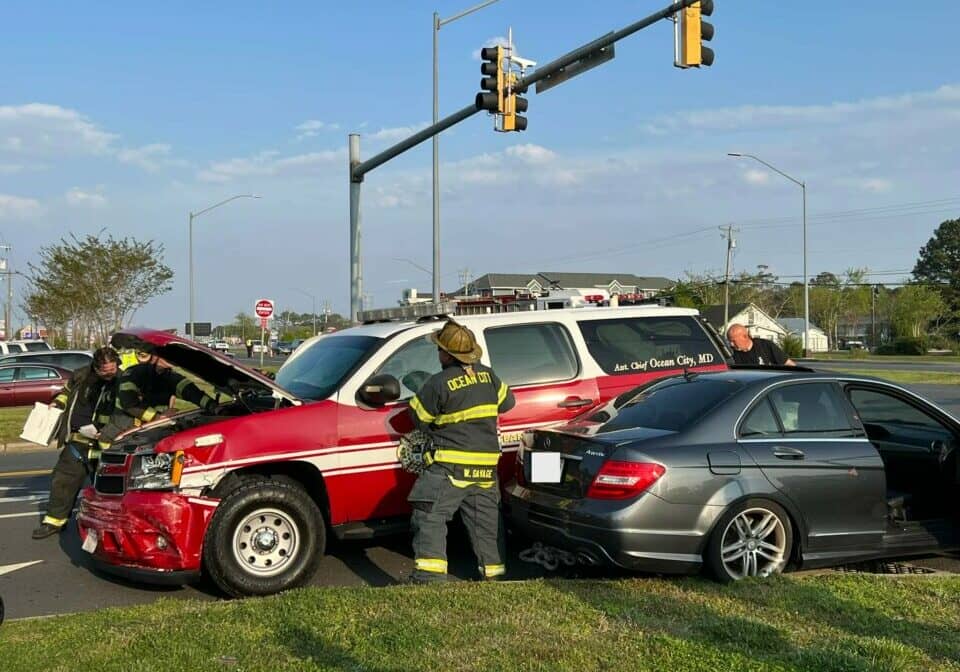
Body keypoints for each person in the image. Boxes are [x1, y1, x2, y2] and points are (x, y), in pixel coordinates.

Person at [405, 319, 516, 584]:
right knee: (486, 526)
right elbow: (507, 403)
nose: (438, 353)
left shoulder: (438, 383)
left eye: (439, 350)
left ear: (446, 354)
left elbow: (418, 416)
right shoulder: (488, 375)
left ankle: (428, 579)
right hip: (486, 469)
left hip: (449, 467)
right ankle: (494, 576)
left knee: (429, 516)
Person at [32, 346, 121, 539]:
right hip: (78, 440)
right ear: (95, 368)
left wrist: (107, 435)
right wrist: (58, 403)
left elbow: (127, 413)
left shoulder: (124, 382)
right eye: (105, 372)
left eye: (113, 370)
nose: (110, 375)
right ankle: (54, 522)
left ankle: (108, 530)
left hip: (107, 444)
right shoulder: (81, 376)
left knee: (107, 490)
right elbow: (66, 392)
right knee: (62, 481)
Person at [98, 350, 218, 447]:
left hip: (149, 434)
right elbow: (129, 403)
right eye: (168, 357)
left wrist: (212, 406)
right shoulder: (132, 374)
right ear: (155, 356)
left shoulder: (170, 377)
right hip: (120, 434)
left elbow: (192, 392)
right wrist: (158, 417)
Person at [726, 323, 796, 366]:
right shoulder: (730, 354)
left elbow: (789, 365)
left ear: (745, 336)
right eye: (730, 341)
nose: (731, 344)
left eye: (734, 341)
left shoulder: (766, 346)